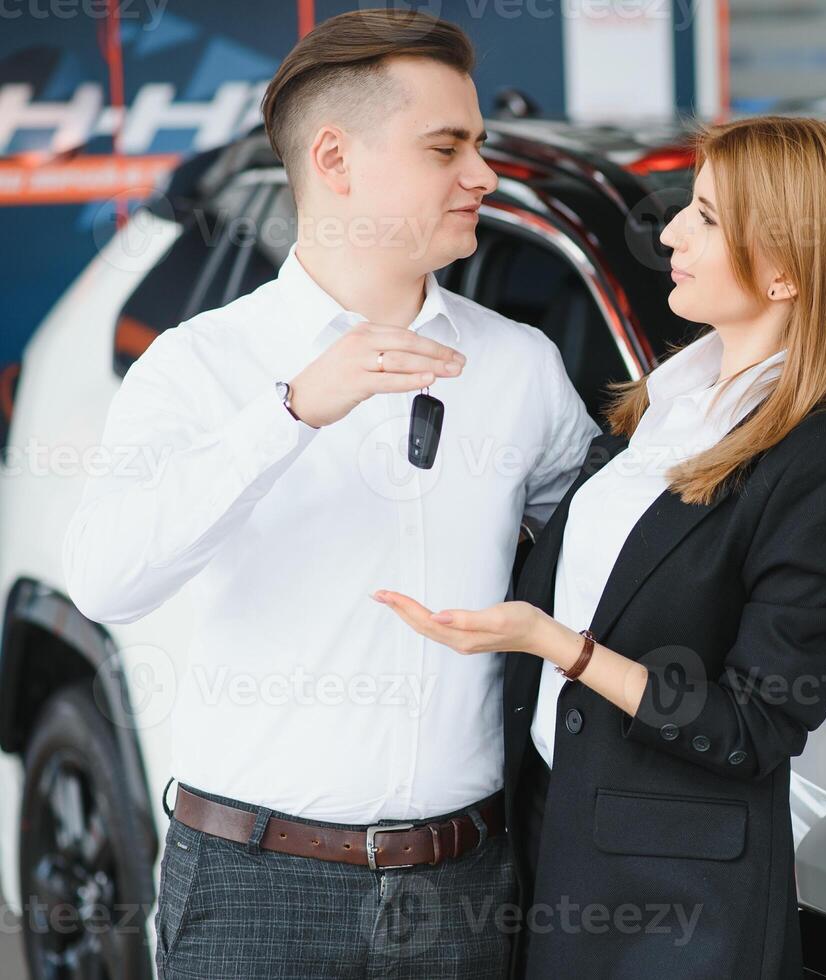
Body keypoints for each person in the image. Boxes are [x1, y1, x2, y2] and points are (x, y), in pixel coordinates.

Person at [61, 10, 598, 978]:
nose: (483, 174)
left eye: (479, 145)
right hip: (254, 892)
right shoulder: (202, 365)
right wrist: (293, 409)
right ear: (336, 159)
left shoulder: (519, 364)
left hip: (464, 885)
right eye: (449, 147)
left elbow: (606, 545)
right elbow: (106, 580)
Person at [374, 115, 826, 978]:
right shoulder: (668, 406)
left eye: (705, 217)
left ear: (785, 271)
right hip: (550, 840)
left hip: (675, 907)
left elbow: (754, 727)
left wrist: (558, 647)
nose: (669, 235)